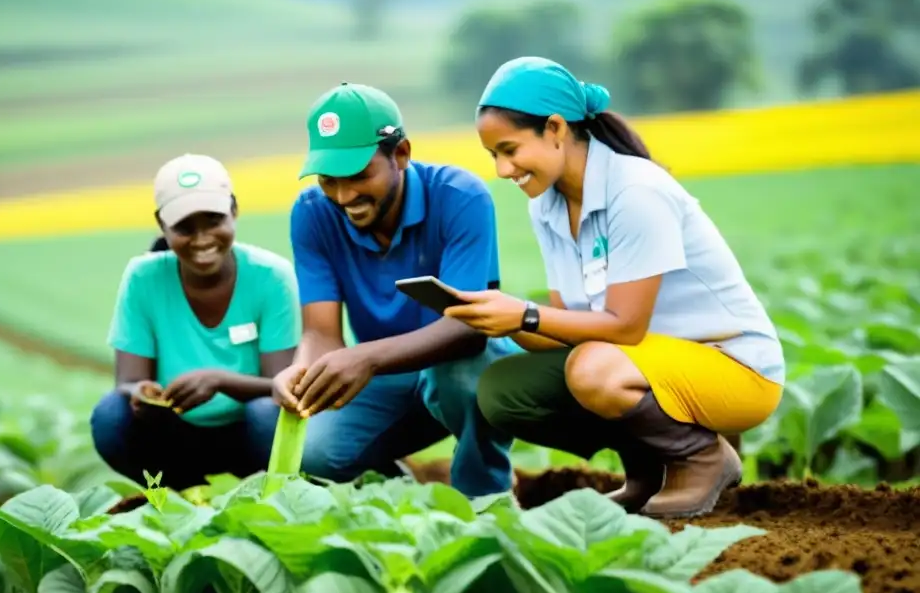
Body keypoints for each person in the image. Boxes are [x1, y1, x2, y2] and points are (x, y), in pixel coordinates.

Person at [442, 56, 785, 519]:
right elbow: (568, 327)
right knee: (503, 390)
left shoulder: (636, 192)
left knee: (593, 367)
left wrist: (525, 313)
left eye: (510, 149)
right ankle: (648, 472)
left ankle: (701, 457)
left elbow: (623, 327)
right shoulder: (547, 203)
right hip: (649, 363)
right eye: (493, 157)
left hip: (734, 368)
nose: (504, 170)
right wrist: (496, 319)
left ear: (557, 129)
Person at [268, 82, 519, 499]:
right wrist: (303, 373)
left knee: (458, 373)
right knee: (315, 452)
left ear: (401, 154)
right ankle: (395, 490)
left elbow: (470, 328)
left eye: (359, 176)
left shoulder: (460, 196)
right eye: (329, 180)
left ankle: (486, 497)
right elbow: (321, 333)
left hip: (464, 368)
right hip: (385, 377)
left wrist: (364, 357)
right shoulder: (313, 213)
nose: (344, 196)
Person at [90, 153, 300, 490]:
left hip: (251, 434)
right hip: (176, 433)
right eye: (184, 228)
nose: (202, 239)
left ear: (234, 211)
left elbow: (282, 386)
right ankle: (183, 491)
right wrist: (142, 394)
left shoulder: (272, 276)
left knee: (266, 414)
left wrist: (219, 381)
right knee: (110, 417)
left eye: (214, 220)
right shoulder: (143, 277)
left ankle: (269, 493)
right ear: (162, 226)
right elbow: (127, 380)